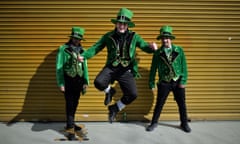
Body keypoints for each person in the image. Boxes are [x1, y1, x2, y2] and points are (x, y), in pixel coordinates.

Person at [80, 8, 157, 123]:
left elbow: (145, 46)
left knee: (132, 94)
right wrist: (84, 55)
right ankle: (110, 91)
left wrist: (151, 48)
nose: (122, 26)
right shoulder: (108, 36)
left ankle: (115, 108)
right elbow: (95, 48)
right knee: (99, 82)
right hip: (111, 67)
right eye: (120, 23)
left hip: (126, 70)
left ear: (128, 25)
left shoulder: (134, 37)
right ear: (116, 23)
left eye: (124, 24)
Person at [146, 25, 191, 132]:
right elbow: (153, 69)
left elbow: (184, 66)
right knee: (159, 104)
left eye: (167, 38)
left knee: (182, 104)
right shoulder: (158, 53)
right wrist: (151, 83)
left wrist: (183, 80)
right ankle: (154, 123)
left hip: (177, 81)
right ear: (161, 39)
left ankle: (184, 123)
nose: (165, 40)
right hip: (164, 82)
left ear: (170, 39)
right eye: (163, 38)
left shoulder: (179, 50)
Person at [56, 26, 89, 140]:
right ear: (71, 37)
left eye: (79, 38)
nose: (77, 40)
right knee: (70, 105)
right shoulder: (63, 49)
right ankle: (70, 130)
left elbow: (85, 67)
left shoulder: (83, 51)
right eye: (75, 38)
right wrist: (61, 83)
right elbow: (59, 67)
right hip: (68, 80)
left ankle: (71, 122)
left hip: (79, 81)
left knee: (75, 103)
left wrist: (85, 81)